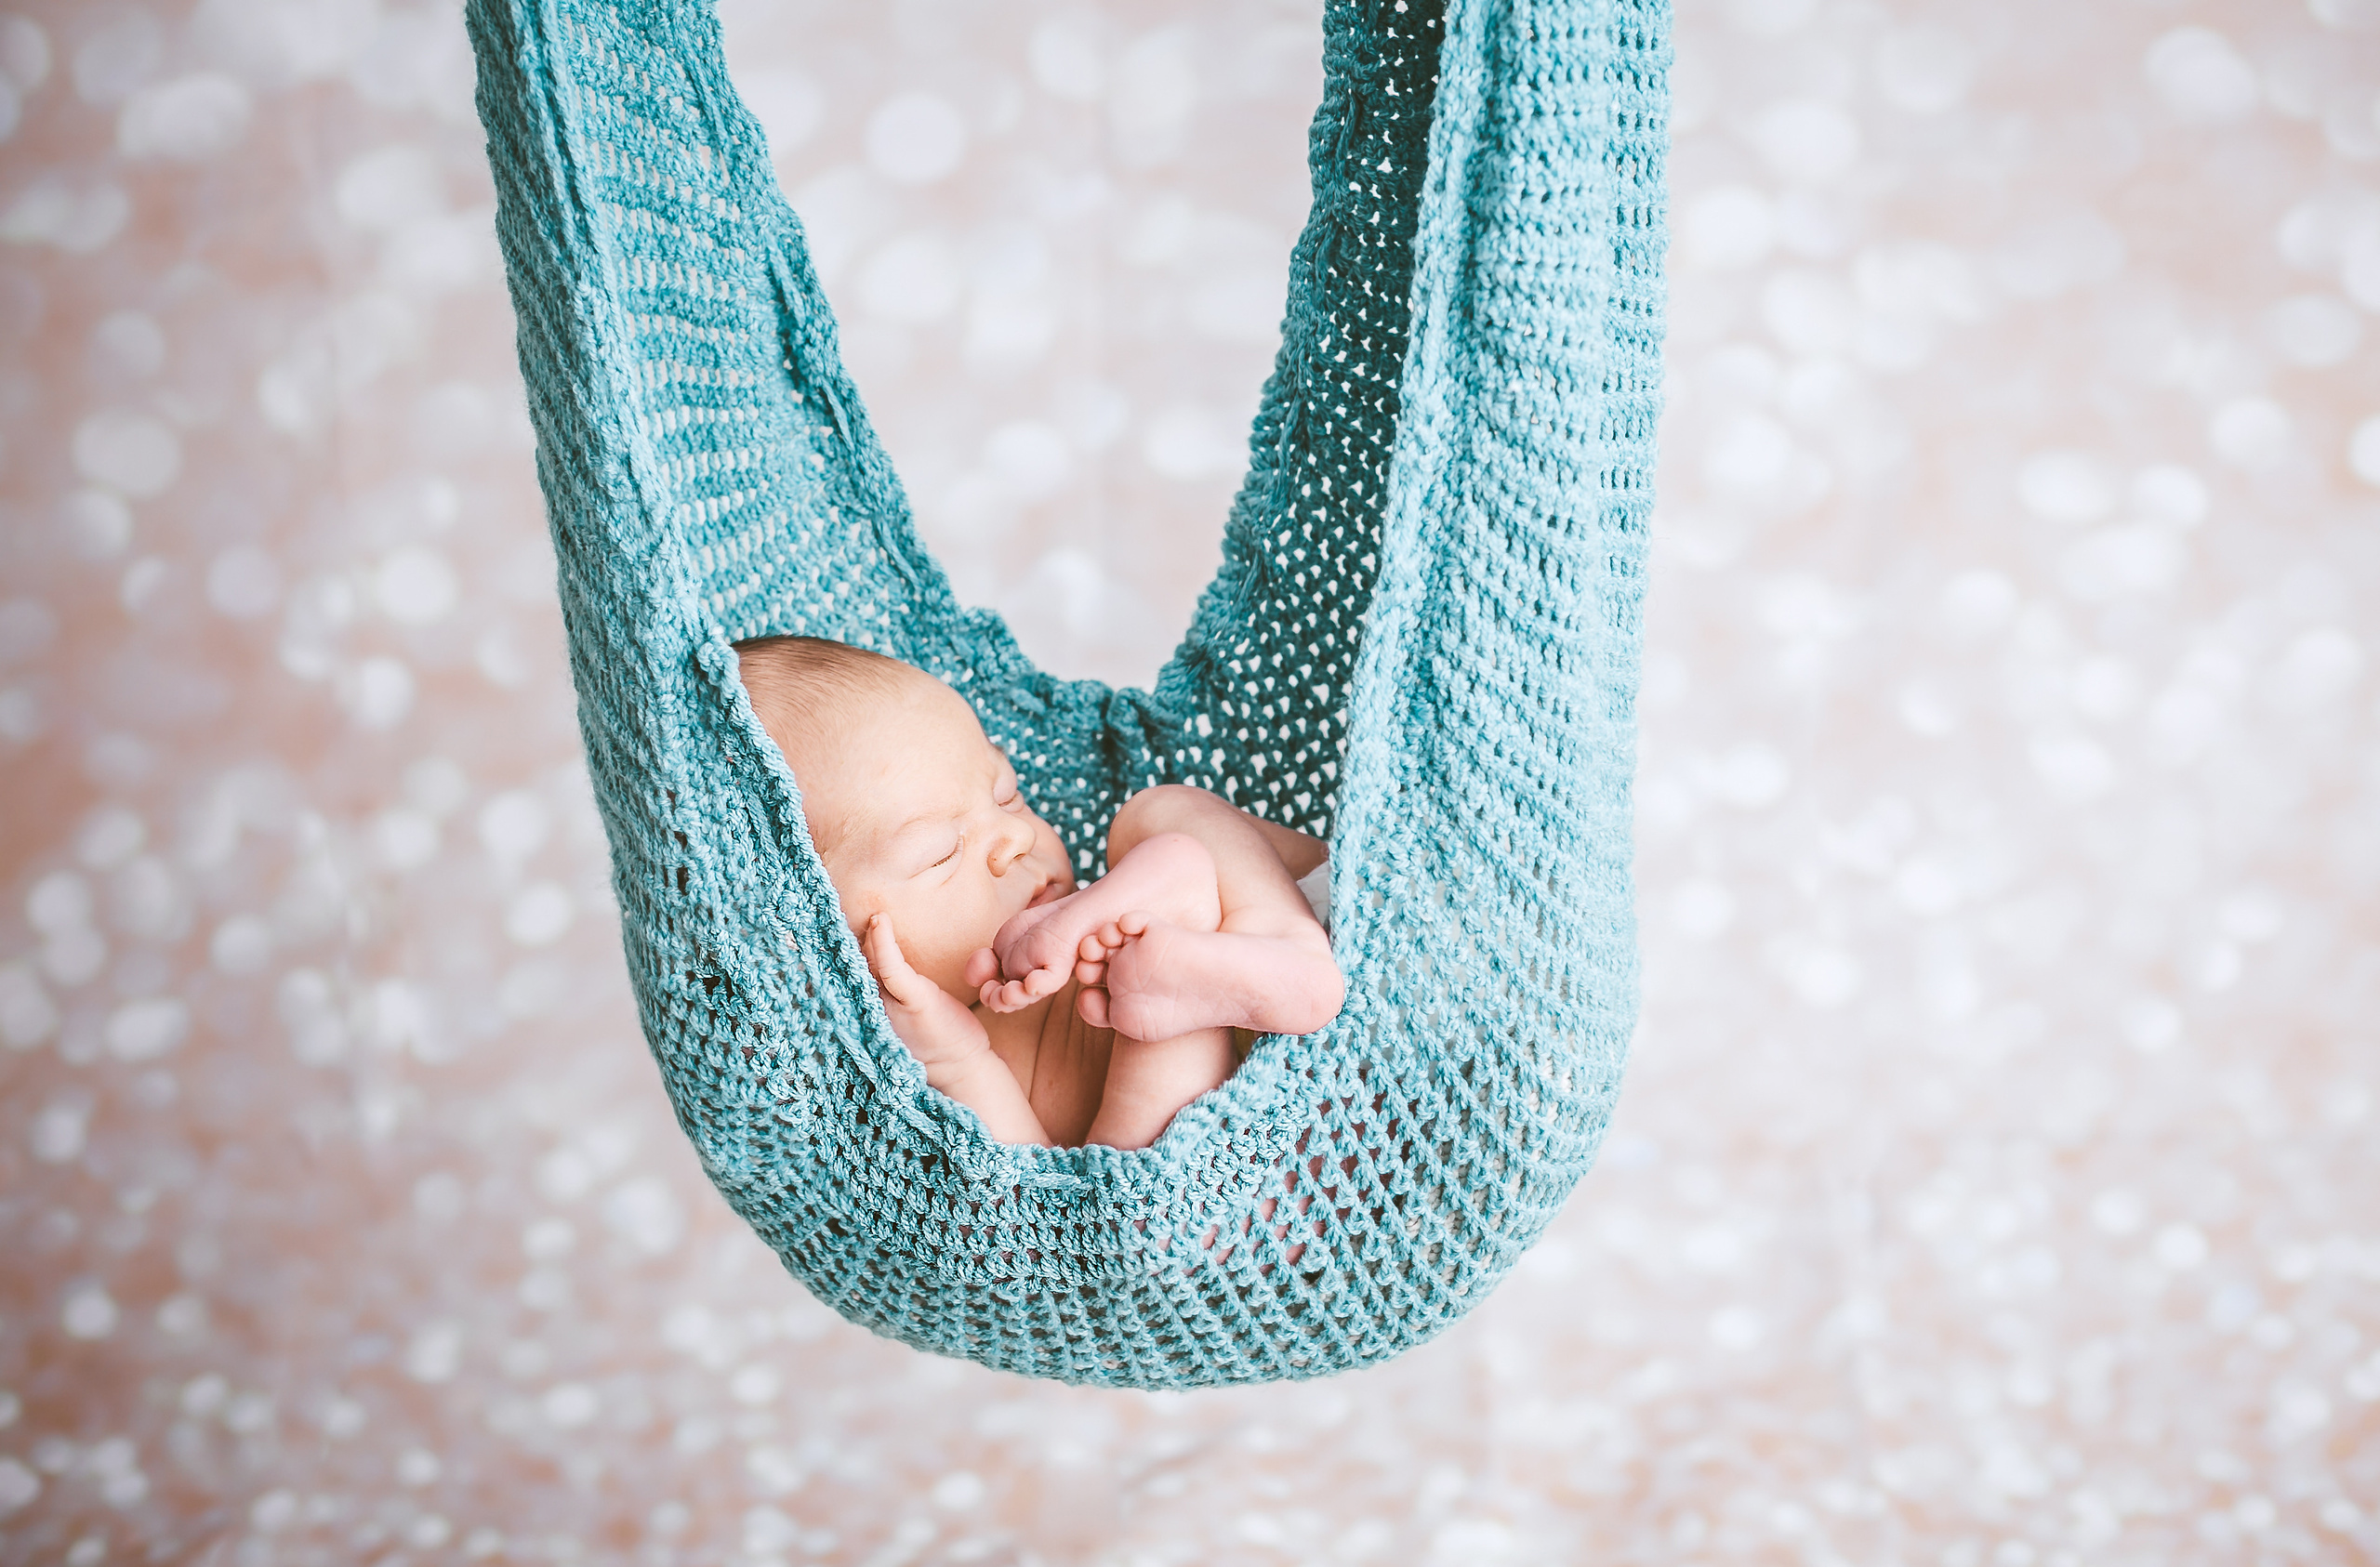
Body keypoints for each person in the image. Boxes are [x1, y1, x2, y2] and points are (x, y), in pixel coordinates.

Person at [734, 635, 1343, 1150]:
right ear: (816, 939)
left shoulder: (1093, 901)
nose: (1016, 837)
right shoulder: (908, 1070)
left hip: (1304, 1019)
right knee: (1175, 872)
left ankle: (1283, 944)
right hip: (1176, 1172)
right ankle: (1201, 921)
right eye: (941, 853)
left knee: (1157, 813)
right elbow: (1028, 1217)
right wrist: (960, 1062)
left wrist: (1095, 908)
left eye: (1007, 796)